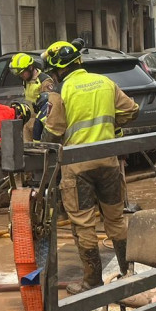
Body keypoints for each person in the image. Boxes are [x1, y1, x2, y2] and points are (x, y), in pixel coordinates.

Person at [35, 40, 139, 294]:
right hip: (109, 162)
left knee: (83, 223)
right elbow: (132, 111)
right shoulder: (105, 83)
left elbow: (54, 132)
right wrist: (112, 125)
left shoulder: (62, 92)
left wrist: (41, 144)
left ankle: (92, 282)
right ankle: (127, 273)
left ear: (59, 69)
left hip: (78, 166)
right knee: (115, 219)